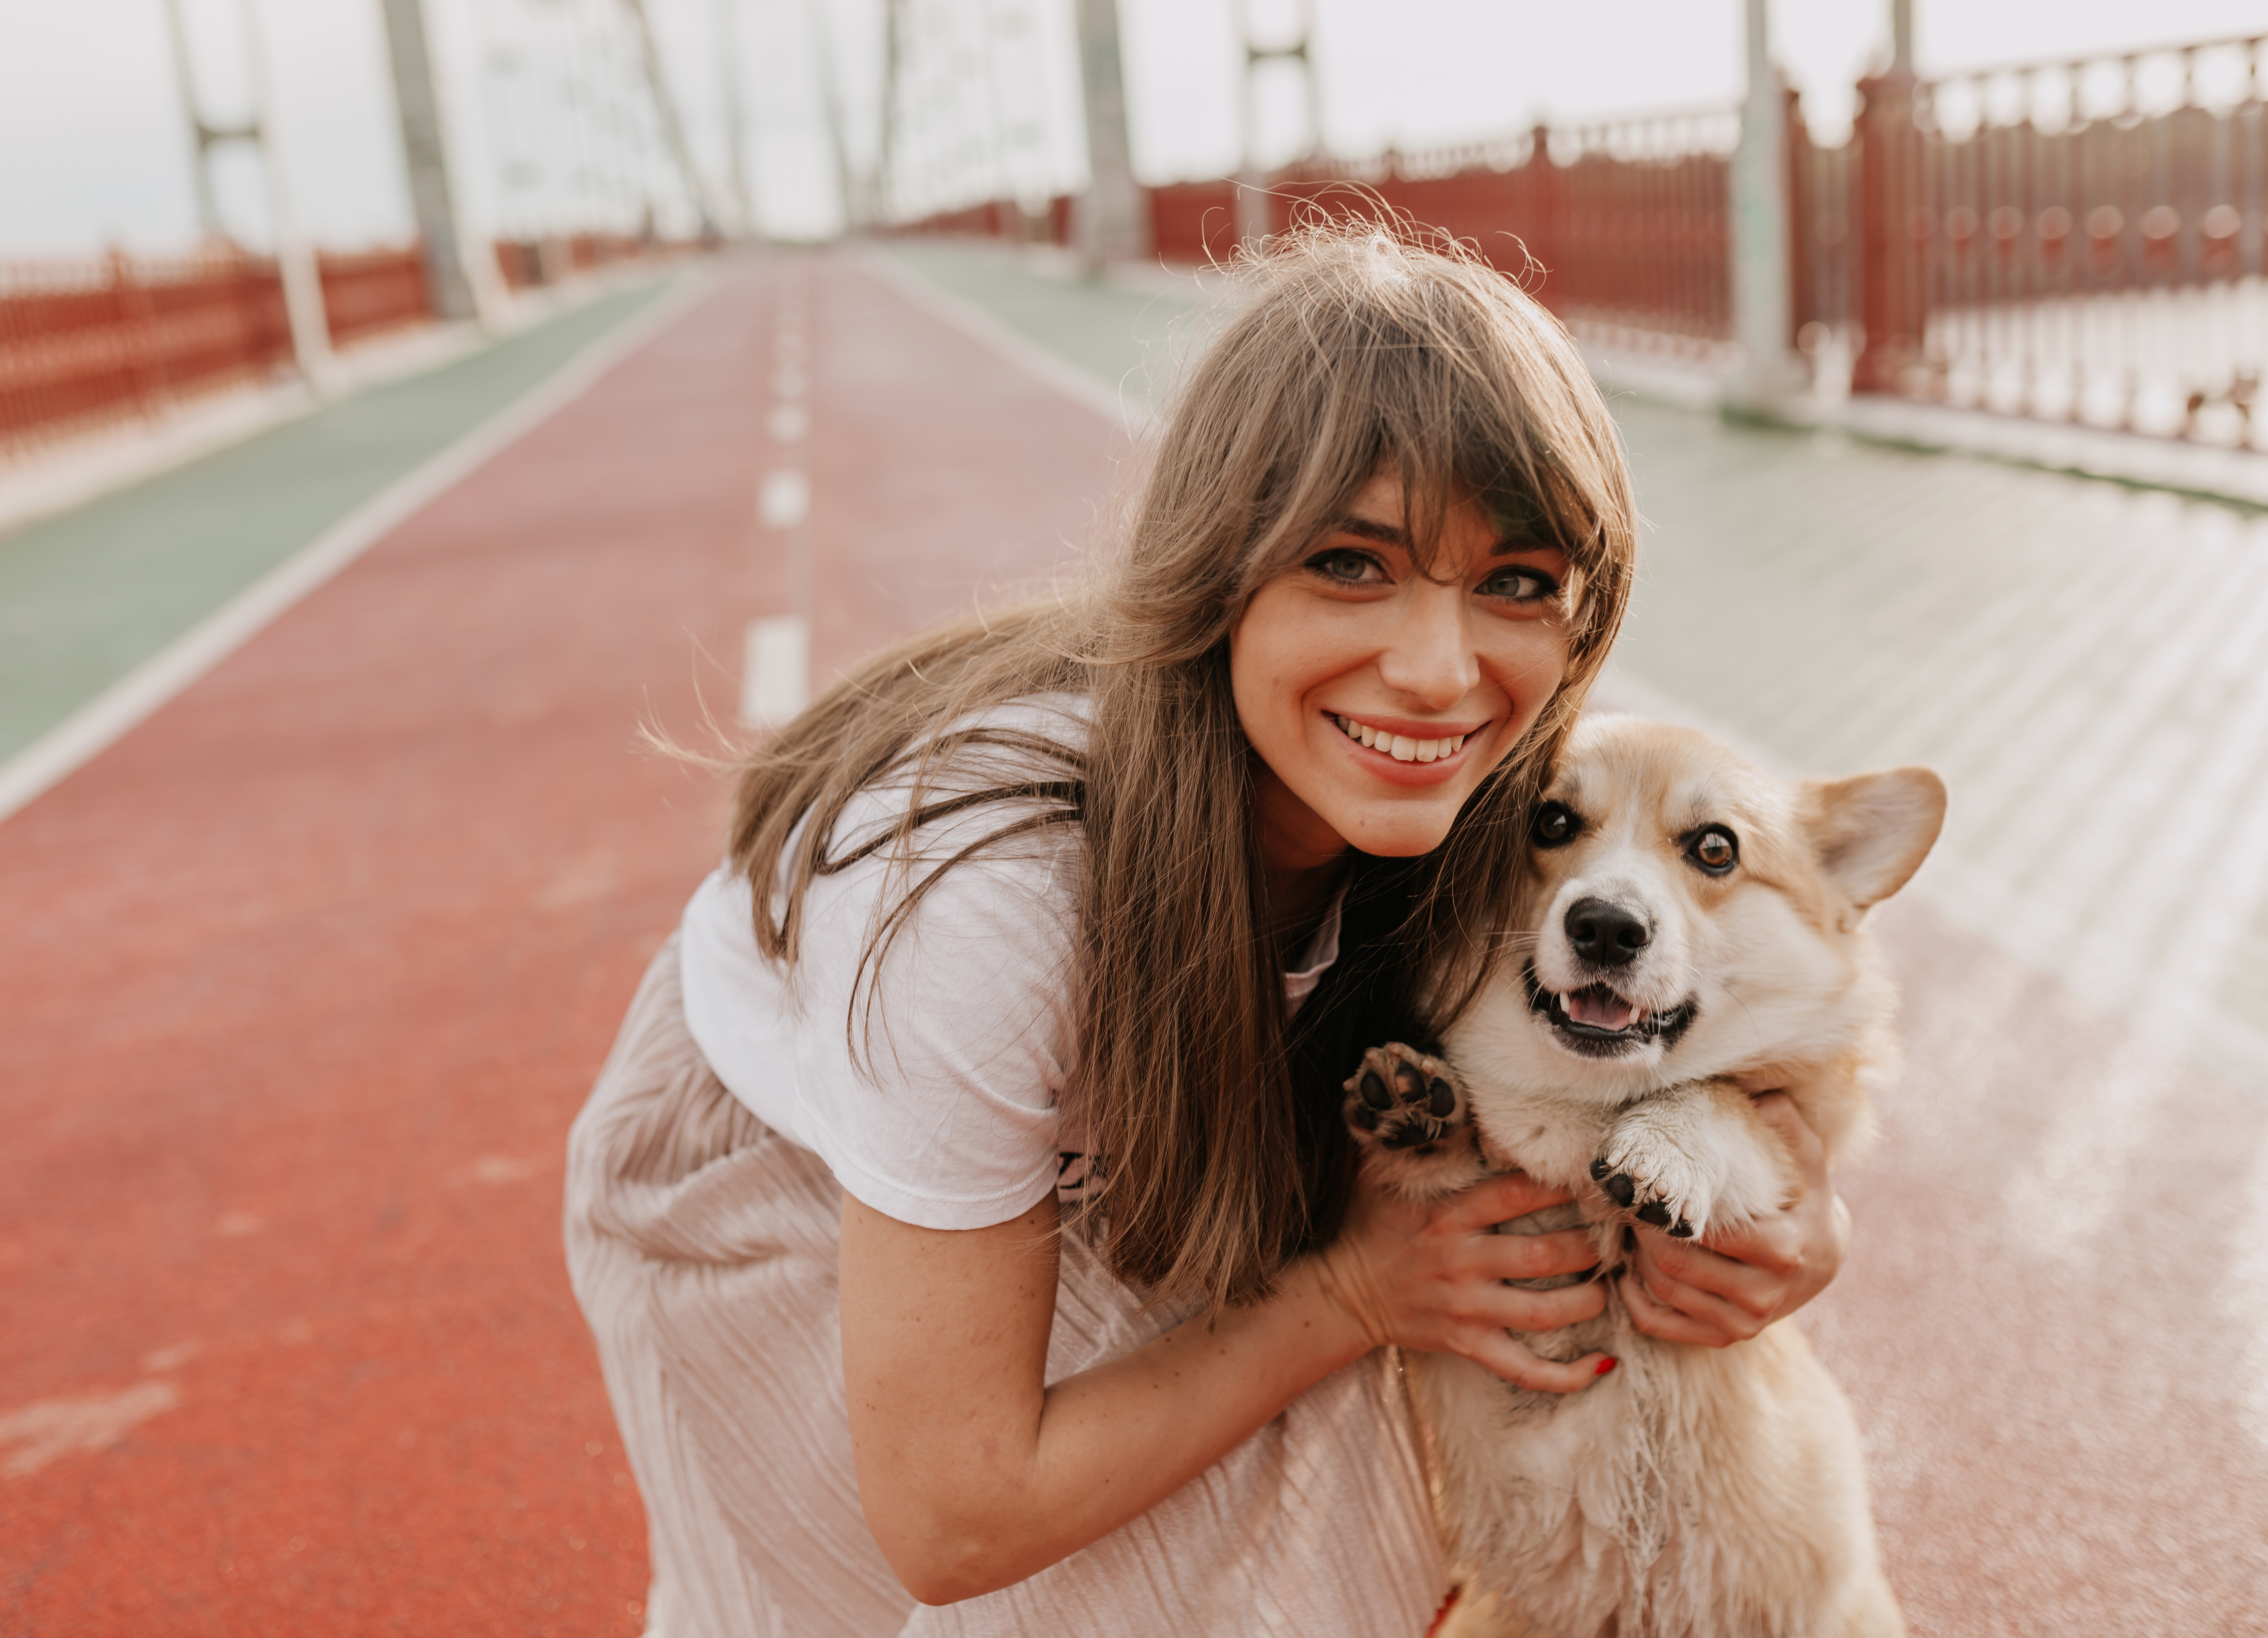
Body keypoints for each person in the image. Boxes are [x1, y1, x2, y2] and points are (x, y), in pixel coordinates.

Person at [563, 223, 1848, 1638]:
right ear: (1216, 567)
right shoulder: (991, 907)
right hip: (786, 1178)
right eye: (1353, 565)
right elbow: (953, 1513)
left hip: (1127, 1124)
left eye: (1517, 583)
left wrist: (1793, 1208)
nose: (1438, 672)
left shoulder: (1507, 809)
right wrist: (1349, 1295)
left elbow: (1657, 1060)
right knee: (1126, 1543)